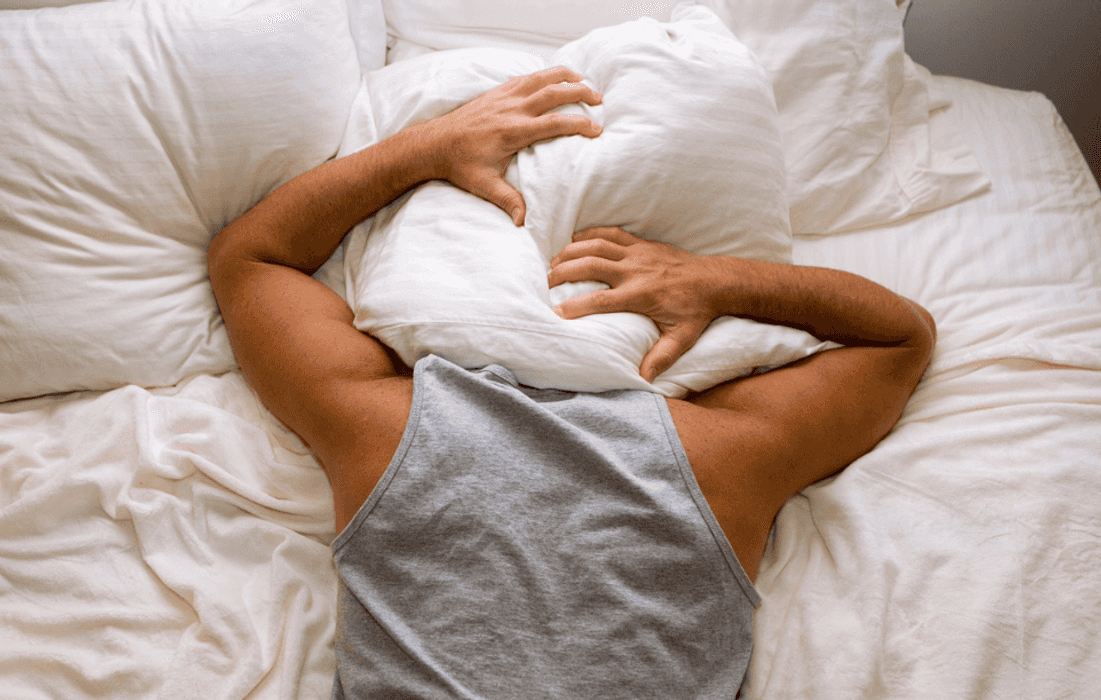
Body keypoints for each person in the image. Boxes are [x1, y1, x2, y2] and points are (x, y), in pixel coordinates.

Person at [207, 67, 935, 699]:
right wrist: (715, 280)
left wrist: (425, 148)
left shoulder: (392, 431)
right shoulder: (714, 458)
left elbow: (251, 259)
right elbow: (899, 339)